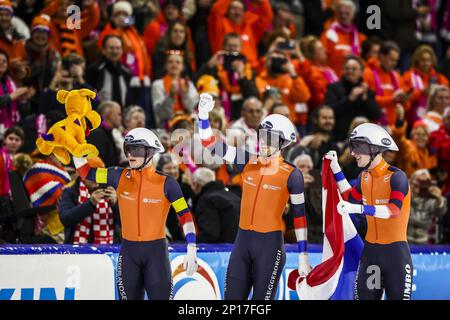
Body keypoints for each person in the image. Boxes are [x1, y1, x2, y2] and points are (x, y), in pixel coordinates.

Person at [198, 93, 310, 300]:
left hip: (270, 247)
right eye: (263, 136)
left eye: (272, 138)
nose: (266, 142)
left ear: (283, 142)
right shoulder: (246, 160)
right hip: (242, 244)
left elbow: (300, 217)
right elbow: (209, 143)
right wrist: (203, 114)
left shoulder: (292, 175)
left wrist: (303, 256)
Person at [74, 127, 198, 300]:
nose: (131, 155)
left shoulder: (167, 183)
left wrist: (191, 246)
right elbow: (87, 173)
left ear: (151, 151)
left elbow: (185, 216)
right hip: (128, 253)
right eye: (128, 149)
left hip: (156, 254)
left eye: (137, 150)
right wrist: (75, 150)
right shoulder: (117, 175)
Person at [325, 123, 413, 300]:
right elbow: (350, 197)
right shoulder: (364, 176)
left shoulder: (397, 177)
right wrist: (336, 168)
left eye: (358, 147)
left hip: (395, 255)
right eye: (353, 146)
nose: (352, 153)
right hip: (371, 253)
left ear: (374, 148)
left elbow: (394, 210)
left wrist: (357, 209)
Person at [195, 32, 259, 121]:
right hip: (217, 115)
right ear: (223, 47)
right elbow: (197, 82)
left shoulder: (247, 69)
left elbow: (253, 96)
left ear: (241, 48)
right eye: (229, 46)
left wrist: (242, 76)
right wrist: (209, 66)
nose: (232, 49)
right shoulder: (216, 66)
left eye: (235, 46)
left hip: (241, 117)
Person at [59, 157, 120, 244]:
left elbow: (126, 224)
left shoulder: (111, 189)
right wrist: (90, 203)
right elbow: (66, 219)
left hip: (107, 251)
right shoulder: (71, 191)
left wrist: (116, 204)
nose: (97, 179)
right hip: (77, 250)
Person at [325, 55, 381, 142]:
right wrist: (349, 99)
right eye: (347, 68)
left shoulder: (367, 91)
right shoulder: (333, 88)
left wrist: (366, 99)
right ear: (343, 70)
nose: (350, 71)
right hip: (340, 138)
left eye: (354, 69)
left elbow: (376, 115)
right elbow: (330, 111)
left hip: (364, 139)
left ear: (361, 72)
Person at [256, 49, 310, 135]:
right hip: (265, 126)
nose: (276, 63)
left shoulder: (291, 80)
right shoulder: (258, 80)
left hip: (287, 126)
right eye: (273, 60)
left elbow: (304, 97)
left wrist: (293, 74)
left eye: (280, 60)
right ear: (266, 62)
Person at [207, 0, 273, 67]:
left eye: (241, 9)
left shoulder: (250, 27)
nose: (237, 12)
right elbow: (216, 10)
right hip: (224, 67)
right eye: (234, 8)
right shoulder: (219, 26)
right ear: (227, 10)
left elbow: (266, 18)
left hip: (250, 69)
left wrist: (263, 1)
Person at [363, 41, 410, 126]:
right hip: (373, 125)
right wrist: (391, 99)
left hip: (393, 126)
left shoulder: (397, 76)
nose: (394, 64)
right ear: (381, 56)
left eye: (396, 61)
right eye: (391, 60)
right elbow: (369, 101)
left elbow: (406, 107)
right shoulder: (368, 73)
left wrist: (405, 99)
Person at [190, 167, 240, 243]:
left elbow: (210, 233)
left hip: (222, 250)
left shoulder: (206, 200)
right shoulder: (233, 196)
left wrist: (191, 243)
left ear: (196, 184)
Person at [151, 51, 199, 129]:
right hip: (167, 127)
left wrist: (185, 94)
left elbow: (192, 109)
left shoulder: (188, 84)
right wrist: (171, 96)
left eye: (178, 62)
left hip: (188, 126)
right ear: (166, 66)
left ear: (183, 67)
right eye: (170, 62)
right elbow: (161, 114)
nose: (174, 64)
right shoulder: (157, 85)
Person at [403, 45, 449, 124]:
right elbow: (405, 99)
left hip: (435, 119)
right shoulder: (408, 76)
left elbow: (447, 96)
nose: (426, 63)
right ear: (417, 61)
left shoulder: (439, 78)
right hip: (412, 120)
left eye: (428, 60)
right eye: (422, 60)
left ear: (432, 61)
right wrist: (421, 92)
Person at [320, 0, 366, 77]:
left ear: (353, 15)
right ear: (336, 15)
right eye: (341, 13)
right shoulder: (328, 35)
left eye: (347, 13)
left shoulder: (361, 38)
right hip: (334, 81)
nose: (344, 16)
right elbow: (322, 61)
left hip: (354, 80)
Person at [85, 35, 132, 109]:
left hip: (121, 115)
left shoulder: (126, 72)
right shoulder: (94, 70)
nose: (115, 51)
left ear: (122, 51)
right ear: (103, 50)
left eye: (118, 48)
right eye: (111, 48)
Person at [391, 104, 437, 177]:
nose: (421, 137)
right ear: (412, 135)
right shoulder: (408, 146)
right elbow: (398, 137)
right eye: (418, 134)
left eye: (424, 135)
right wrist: (400, 119)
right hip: (406, 185)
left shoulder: (430, 153)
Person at [407, 169, 447, 245]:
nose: (420, 185)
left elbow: (441, 212)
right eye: (418, 181)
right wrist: (408, 191)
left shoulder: (430, 200)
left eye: (424, 183)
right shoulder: (405, 195)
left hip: (423, 241)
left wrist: (439, 198)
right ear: (411, 182)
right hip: (405, 239)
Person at [0, 49, 31, 137]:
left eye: (4, 61)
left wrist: (24, 101)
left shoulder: (12, 81)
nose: (2, 63)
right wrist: (11, 96)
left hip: (13, 128)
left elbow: (24, 112)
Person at [86, 101, 123, 168]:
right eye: (119, 114)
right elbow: (96, 164)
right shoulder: (97, 134)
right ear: (108, 114)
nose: (121, 118)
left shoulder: (107, 132)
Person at [429, 107, 450, 195]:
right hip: (440, 180)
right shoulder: (435, 135)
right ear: (443, 119)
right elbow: (443, 153)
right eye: (449, 118)